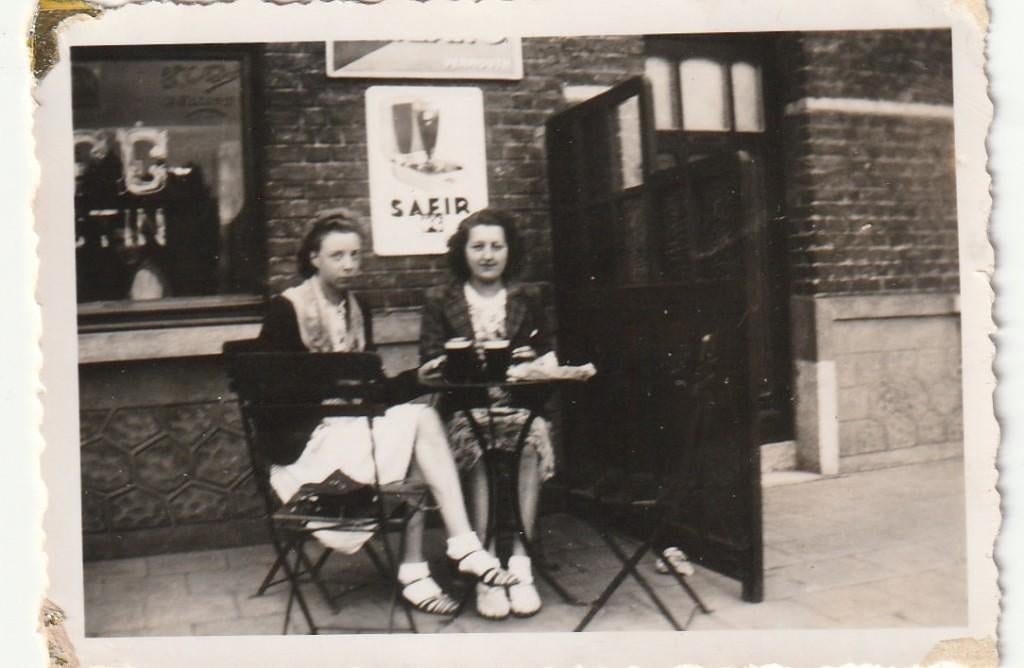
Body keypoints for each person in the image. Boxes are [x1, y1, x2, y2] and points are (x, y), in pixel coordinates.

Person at [256, 210, 517, 616]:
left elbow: (373, 390)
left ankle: (434, 561)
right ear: (314, 258)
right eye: (337, 256)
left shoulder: (357, 308)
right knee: (418, 429)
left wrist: (418, 379)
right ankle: (447, 554)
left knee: (420, 422)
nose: (349, 265)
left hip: (351, 430)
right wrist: (333, 389)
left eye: (355, 255)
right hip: (306, 447)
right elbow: (268, 398)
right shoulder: (286, 309)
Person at [419, 209, 555, 620]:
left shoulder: (527, 297)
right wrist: (454, 363)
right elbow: (427, 364)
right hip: (465, 408)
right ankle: (487, 568)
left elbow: (547, 356)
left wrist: (533, 360)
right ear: (463, 252)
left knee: (530, 443)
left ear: (509, 251)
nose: (488, 255)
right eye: (478, 246)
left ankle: (521, 565)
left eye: (497, 246)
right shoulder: (440, 299)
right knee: (479, 448)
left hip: (518, 405)